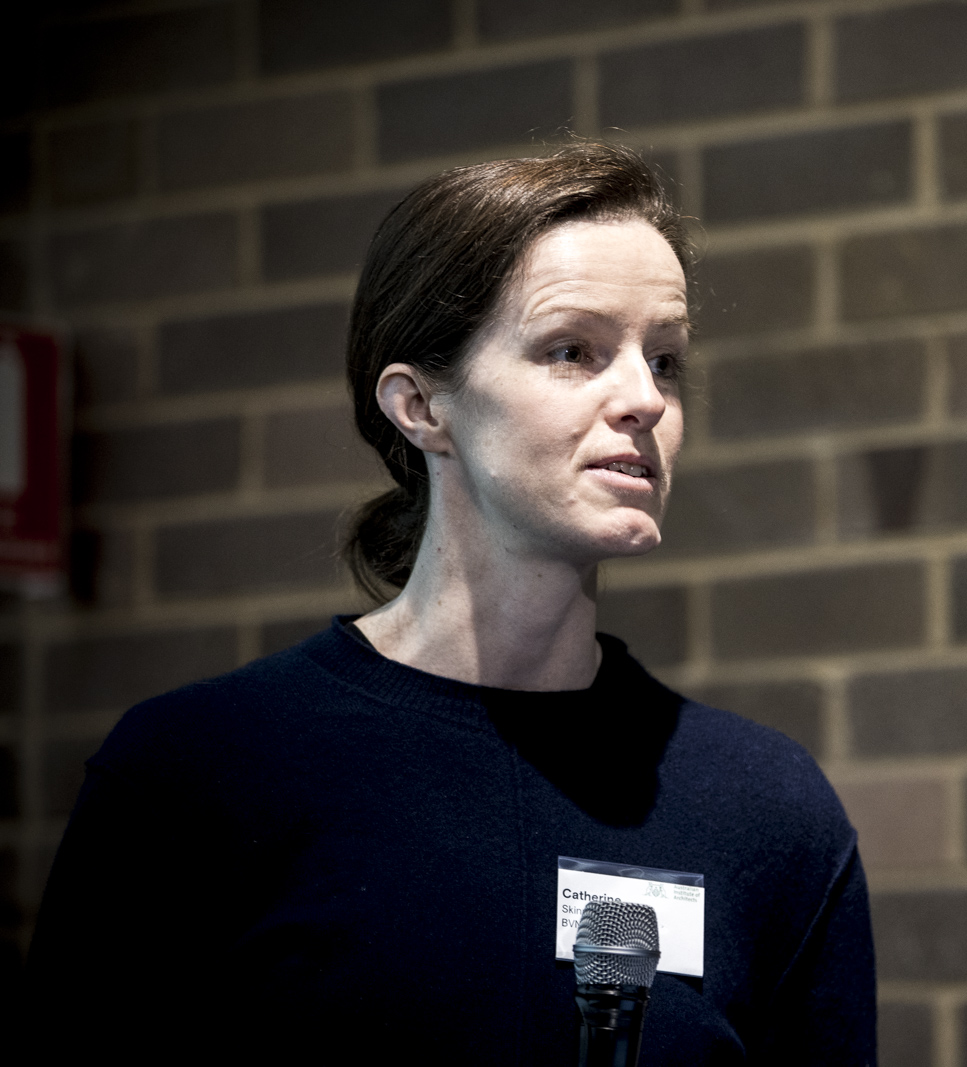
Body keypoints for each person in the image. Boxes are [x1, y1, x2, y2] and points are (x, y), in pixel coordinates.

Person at [23, 144, 876, 1065]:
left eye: (664, 359)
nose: (643, 398)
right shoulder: (196, 775)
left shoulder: (766, 810)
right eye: (573, 351)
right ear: (422, 406)